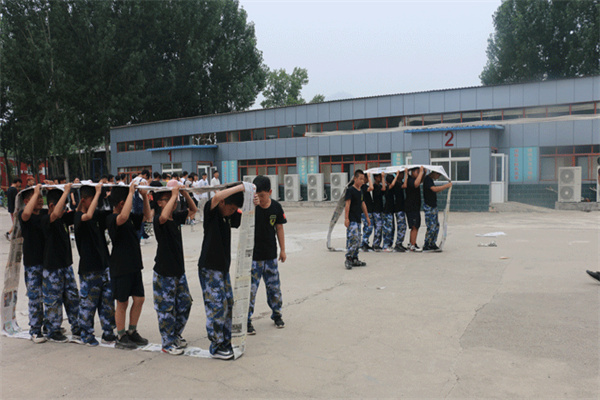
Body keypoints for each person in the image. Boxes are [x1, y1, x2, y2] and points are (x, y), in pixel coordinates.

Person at [197, 183, 245, 360]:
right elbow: (217, 197)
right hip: (209, 267)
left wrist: (251, 199)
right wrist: (240, 187)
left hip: (223, 268)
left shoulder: (228, 216)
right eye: (231, 208)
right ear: (223, 203)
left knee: (228, 304)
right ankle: (216, 346)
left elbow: (242, 215)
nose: (232, 212)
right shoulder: (212, 213)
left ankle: (225, 341)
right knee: (216, 306)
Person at [152, 186, 197, 355]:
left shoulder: (176, 218)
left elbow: (193, 209)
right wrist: (173, 194)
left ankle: (175, 334)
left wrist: (184, 193)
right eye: (167, 199)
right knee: (166, 309)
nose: (173, 202)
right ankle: (167, 342)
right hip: (164, 272)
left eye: (174, 200)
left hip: (179, 271)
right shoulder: (159, 219)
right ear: (160, 203)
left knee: (185, 303)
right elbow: (164, 216)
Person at [106, 184, 151, 350]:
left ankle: (132, 331)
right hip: (120, 266)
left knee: (139, 299)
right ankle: (121, 335)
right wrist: (131, 192)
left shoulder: (131, 217)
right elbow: (122, 217)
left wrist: (144, 196)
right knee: (122, 302)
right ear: (120, 203)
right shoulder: (112, 219)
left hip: (134, 264)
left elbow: (147, 216)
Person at [73, 183, 116, 346]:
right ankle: (86, 333)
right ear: (83, 200)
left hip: (104, 265)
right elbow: (88, 215)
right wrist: (97, 192)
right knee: (88, 304)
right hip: (89, 269)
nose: (95, 202)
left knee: (107, 302)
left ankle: (108, 332)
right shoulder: (78, 216)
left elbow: (111, 212)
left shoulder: (97, 216)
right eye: (92, 199)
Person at [247, 176, 287, 336]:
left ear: (270, 192)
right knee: (250, 290)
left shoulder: (276, 207)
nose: (260, 199)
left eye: (263, 195)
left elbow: (279, 228)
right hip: (254, 257)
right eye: (257, 195)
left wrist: (283, 250)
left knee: (274, 287)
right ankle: (246, 320)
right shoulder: (251, 207)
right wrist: (252, 206)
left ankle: (277, 314)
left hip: (270, 256)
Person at [41, 185, 81, 342]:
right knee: (53, 300)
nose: (64, 209)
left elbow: (78, 212)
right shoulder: (45, 219)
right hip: (52, 268)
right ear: (52, 205)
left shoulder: (63, 218)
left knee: (72, 297)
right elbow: (56, 213)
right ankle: (53, 329)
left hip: (66, 265)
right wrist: (66, 191)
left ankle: (77, 326)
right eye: (63, 206)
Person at [19, 185, 48, 343]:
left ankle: (48, 326)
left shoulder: (44, 214)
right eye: (36, 198)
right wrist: (36, 191)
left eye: (41, 197)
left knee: (49, 296)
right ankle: (35, 330)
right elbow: (26, 214)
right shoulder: (24, 216)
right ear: (26, 201)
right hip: (32, 263)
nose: (40, 200)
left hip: (47, 261)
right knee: (35, 298)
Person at [344, 170, 370, 269]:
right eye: (361, 179)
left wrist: (367, 217)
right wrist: (346, 218)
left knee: (358, 239)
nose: (362, 181)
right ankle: (349, 258)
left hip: (358, 219)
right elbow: (347, 204)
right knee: (353, 238)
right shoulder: (350, 190)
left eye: (363, 179)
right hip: (352, 219)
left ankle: (355, 257)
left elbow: (363, 204)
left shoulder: (361, 191)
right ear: (355, 179)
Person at [422, 170, 452, 251]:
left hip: (433, 206)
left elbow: (436, 190)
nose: (438, 177)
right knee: (431, 226)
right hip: (429, 206)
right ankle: (427, 244)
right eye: (438, 175)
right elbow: (434, 189)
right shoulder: (427, 179)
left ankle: (432, 243)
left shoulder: (431, 180)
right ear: (434, 173)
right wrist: (446, 186)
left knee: (436, 225)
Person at [403, 166, 424, 252]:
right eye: (417, 172)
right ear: (413, 172)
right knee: (414, 226)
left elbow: (420, 181)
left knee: (416, 225)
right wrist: (421, 172)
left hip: (415, 207)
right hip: (411, 207)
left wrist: (423, 173)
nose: (418, 174)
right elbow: (416, 184)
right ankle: (412, 245)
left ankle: (412, 243)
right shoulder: (410, 180)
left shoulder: (413, 179)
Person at [382, 173, 399, 251]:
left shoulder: (393, 189)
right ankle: (386, 245)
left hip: (391, 211)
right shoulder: (386, 188)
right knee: (388, 229)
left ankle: (389, 244)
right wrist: (397, 175)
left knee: (392, 229)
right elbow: (391, 185)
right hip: (387, 211)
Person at [368, 173, 384, 251]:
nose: (380, 178)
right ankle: (375, 244)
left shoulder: (380, 186)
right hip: (376, 210)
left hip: (380, 209)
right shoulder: (374, 186)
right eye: (379, 177)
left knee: (380, 228)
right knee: (378, 227)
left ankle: (377, 243)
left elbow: (384, 189)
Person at [360, 172, 375, 252]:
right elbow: (371, 188)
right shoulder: (363, 186)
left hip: (368, 210)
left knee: (368, 227)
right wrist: (369, 177)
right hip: (366, 211)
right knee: (368, 227)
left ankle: (365, 242)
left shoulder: (363, 186)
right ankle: (364, 243)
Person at [393, 170, 408, 252]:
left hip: (402, 207)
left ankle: (400, 243)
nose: (403, 175)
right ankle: (398, 244)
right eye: (401, 174)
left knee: (403, 226)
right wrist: (406, 174)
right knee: (401, 226)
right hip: (398, 208)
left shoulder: (400, 182)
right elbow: (405, 186)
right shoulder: (396, 183)